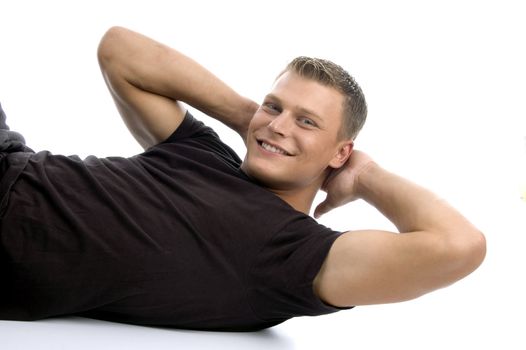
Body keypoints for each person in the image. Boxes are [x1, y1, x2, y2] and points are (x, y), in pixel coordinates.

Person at [0, 26, 486, 331]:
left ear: (341, 151)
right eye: (275, 106)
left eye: (307, 122)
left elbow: (458, 246)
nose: (279, 125)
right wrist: (249, 119)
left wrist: (365, 176)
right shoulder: (204, 150)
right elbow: (120, 49)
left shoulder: (293, 257)